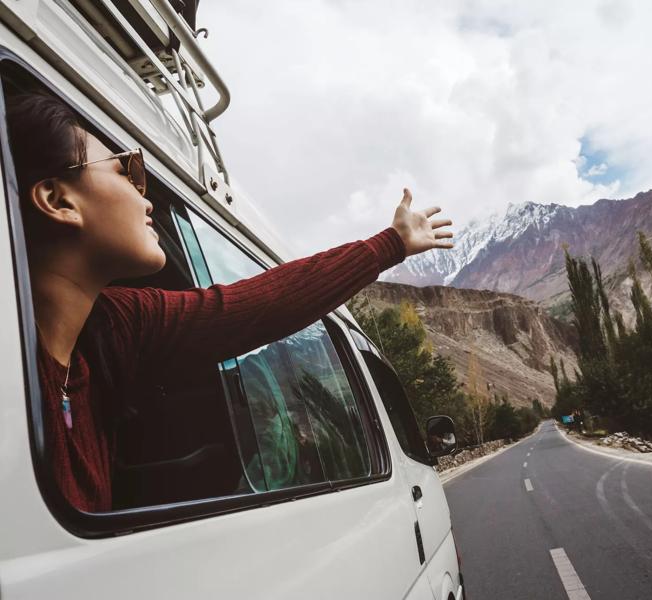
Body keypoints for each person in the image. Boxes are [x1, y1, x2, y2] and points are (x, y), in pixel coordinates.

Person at [6, 92, 454, 512]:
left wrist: (390, 245)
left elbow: (258, 305)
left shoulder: (113, 325)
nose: (144, 195)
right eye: (125, 171)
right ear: (57, 199)